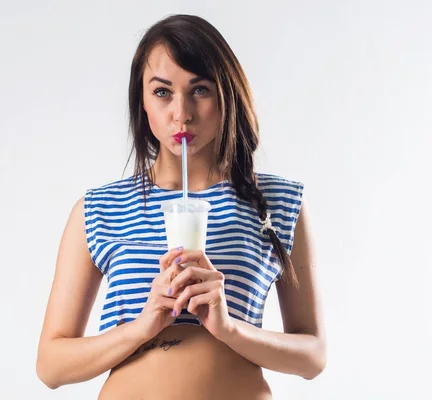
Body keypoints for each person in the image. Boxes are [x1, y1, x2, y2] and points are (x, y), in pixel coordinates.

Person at [36, 13, 326, 399]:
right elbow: (51, 365)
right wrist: (143, 325)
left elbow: (313, 355)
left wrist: (227, 327)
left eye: (200, 90)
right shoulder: (98, 209)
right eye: (162, 92)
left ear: (227, 94)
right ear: (141, 100)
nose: (181, 113)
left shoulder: (278, 202)